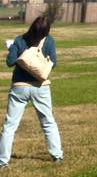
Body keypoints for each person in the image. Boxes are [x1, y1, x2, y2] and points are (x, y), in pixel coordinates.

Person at [1, 14, 63, 167]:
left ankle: (3, 161)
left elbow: (10, 62)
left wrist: (12, 50)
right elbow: (53, 63)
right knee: (48, 122)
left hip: (19, 87)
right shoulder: (49, 41)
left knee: (10, 126)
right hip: (40, 87)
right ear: (47, 30)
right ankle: (57, 155)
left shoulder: (19, 40)